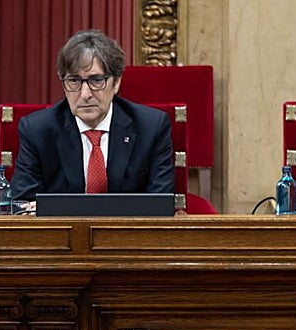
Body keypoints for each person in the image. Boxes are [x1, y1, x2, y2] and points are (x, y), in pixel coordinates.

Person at [10, 29, 174, 204]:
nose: (85, 94)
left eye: (96, 80)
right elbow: (23, 204)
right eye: (74, 81)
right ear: (63, 84)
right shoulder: (37, 131)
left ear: (116, 83)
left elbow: (160, 204)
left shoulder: (151, 128)